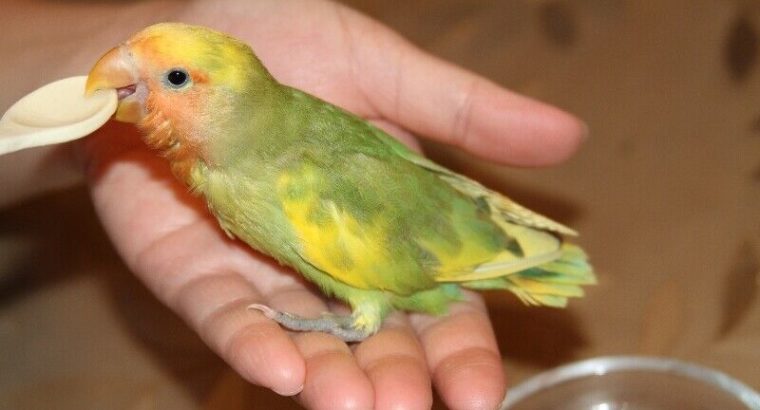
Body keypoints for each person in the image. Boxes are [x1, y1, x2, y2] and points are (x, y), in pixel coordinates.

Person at [2, 0, 586, 408]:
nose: (125, 72)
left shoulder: (295, 185)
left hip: (436, 254)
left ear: (229, 101)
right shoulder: (261, 134)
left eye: (175, 78)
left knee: (366, 321)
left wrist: (318, 322)